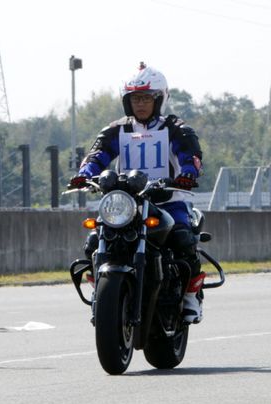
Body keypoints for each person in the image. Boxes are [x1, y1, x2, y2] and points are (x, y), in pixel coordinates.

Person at [68, 62, 206, 323]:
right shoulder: (116, 129)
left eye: (145, 98)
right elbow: (97, 155)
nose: (139, 104)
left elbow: (190, 154)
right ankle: (102, 291)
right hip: (126, 201)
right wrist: (85, 174)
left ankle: (190, 296)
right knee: (94, 241)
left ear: (159, 99)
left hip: (168, 199)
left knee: (182, 237)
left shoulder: (176, 128)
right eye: (134, 99)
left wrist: (188, 173)